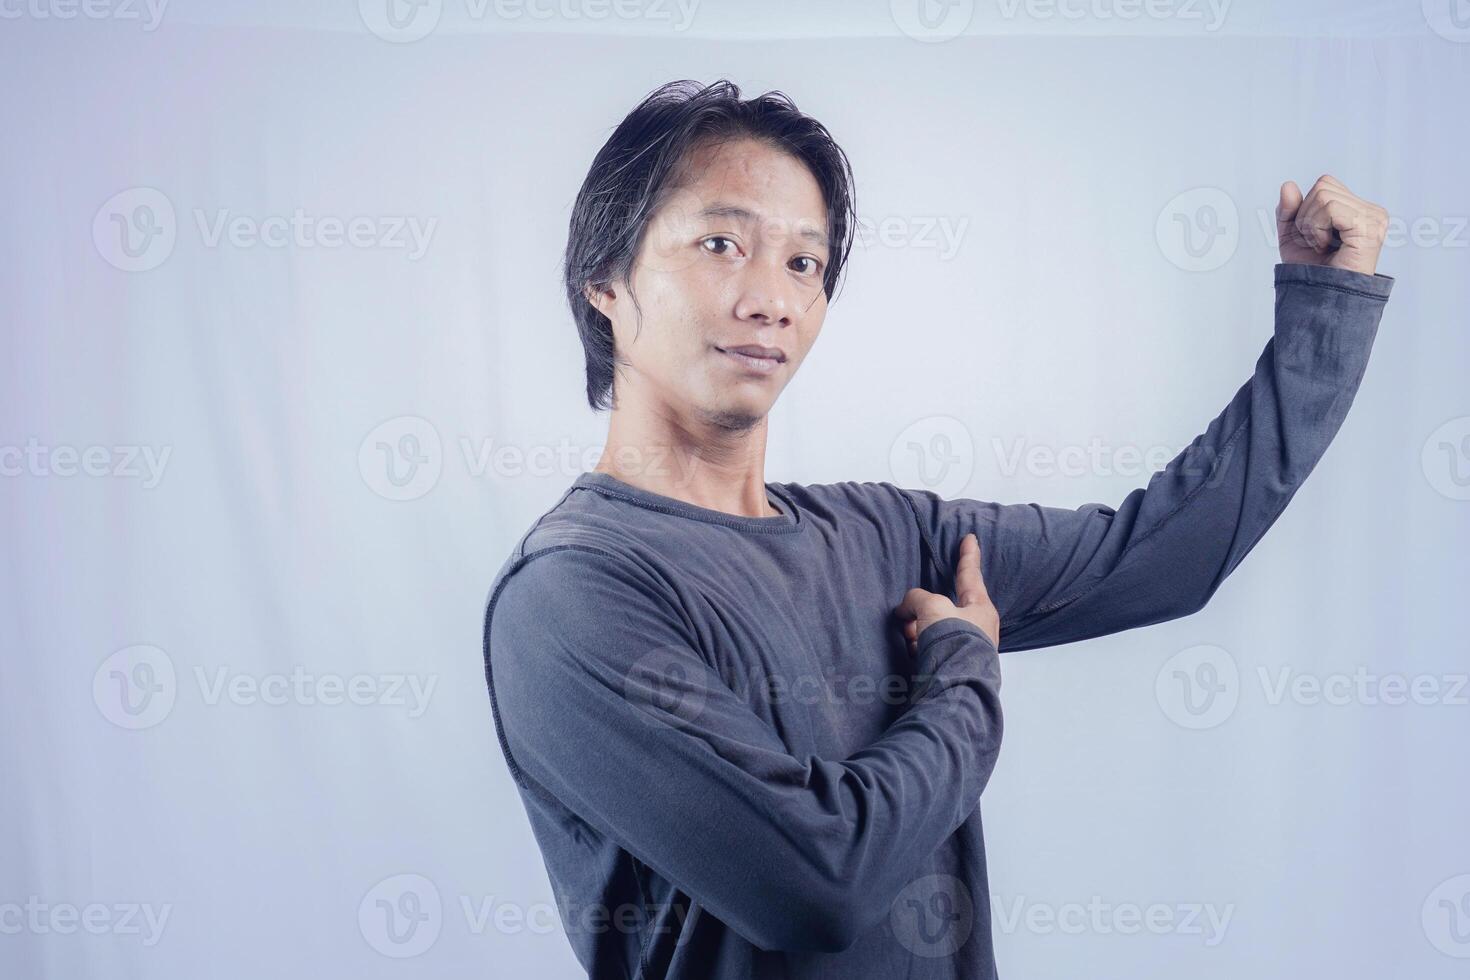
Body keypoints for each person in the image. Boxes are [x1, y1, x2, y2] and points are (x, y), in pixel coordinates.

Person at [481, 78, 1394, 978]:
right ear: (604, 277)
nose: (773, 300)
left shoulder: (885, 535)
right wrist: (963, 674)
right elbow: (815, 881)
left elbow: (1161, 557)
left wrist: (1323, 313)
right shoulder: (570, 594)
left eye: (804, 262)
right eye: (722, 243)